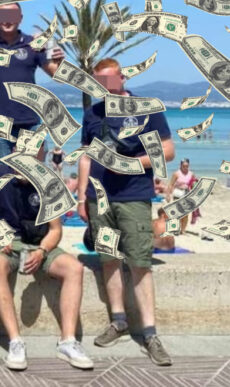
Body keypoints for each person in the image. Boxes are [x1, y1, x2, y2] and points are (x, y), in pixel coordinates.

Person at [77, 58, 175, 366]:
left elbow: (168, 151)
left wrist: (130, 164)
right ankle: (118, 321)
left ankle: (150, 334)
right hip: (99, 199)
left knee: (139, 263)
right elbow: (85, 157)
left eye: (109, 80)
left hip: (133, 196)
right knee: (109, 260)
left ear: (122, 78)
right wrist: (81, 197)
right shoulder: (93, 113)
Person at [0, 143, 93, 370]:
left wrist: (41, 251)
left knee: (74, 268)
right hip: (5, 242)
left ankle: (68, 341)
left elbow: (56, 230)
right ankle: (15, 341)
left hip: (39, 243)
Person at [0, 2, 65, 163]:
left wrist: (55, 52)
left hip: (30, 121)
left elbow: (56, 74)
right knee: (5, 173)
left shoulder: (33, 43)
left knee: (33, 172)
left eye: (12, 15)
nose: (7, 20)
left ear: (20, 18)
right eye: (2, 16)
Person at [166, 158, 195, 234]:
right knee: (177, 212)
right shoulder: (176, 173)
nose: (185, 167)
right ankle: (175, 229)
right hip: (177, 193)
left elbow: (193, 185)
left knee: (185, 214)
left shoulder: (191, 174)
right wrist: (168, 195)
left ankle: (183, 230)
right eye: (183, 166)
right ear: (180, 165)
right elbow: (171, 184)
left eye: (187, 166)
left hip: (187, 194)